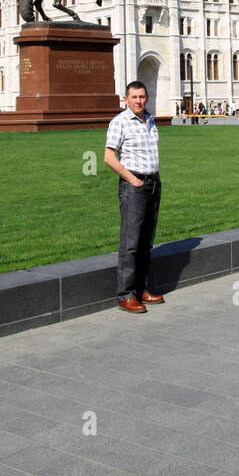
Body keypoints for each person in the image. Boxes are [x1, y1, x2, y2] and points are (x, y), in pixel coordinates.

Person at [103, 81, 164, 314]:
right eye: (134, 97)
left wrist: (151, 180)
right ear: (125, 99)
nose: (139, 101)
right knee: (131, 242)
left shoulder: (150, 119)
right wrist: (132, 180)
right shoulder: (119, 122)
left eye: (142, 96)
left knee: (146, 240)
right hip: (134, 185)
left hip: (153, 184)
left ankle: (141, 289)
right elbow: (109, 157)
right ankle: (125, 294)